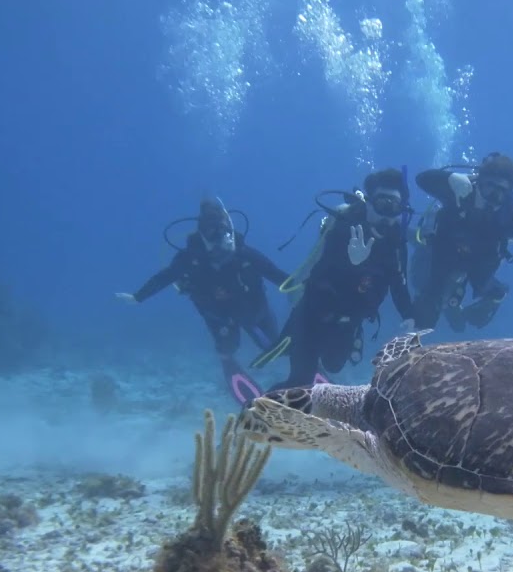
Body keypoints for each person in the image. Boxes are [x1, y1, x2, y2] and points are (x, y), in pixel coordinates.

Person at [117, 198, 288, 403]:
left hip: (252, 307)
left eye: (222, 229)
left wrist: (298, 288)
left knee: (274, 345)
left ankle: (302, 365)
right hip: (219, 315)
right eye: (210, 230)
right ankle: (237, 376)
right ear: (201, 232)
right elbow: (166, 276)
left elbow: (274, 273)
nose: (217, 236)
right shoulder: (190, 258)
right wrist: (139, 297)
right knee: (227, 350)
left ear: (229, 228)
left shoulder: (243, 253)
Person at [264, 167, 414, 390]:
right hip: (312, 314)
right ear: (369, 203)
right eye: (383, 204)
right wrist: (352, 263)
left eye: (395, 208)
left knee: (334, 365)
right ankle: (258, 411)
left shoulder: (394, 243)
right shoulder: (345, 227)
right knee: (299, 383)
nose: (387, 214)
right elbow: (320, 274)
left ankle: (331, 353)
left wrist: (408, 314)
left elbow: (398, 281)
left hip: (350, 319)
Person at [411, 152, 513, 332]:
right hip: (443, 259)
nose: (494, 197)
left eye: (501, 192)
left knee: (478, 315)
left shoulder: (507, 218)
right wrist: (449, 178)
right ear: (478, 183)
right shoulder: (457, 193)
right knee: (424, 316)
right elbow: (421, 179)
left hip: (478, 270)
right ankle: (446, 302)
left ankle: (461, 303)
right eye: (489, 187)